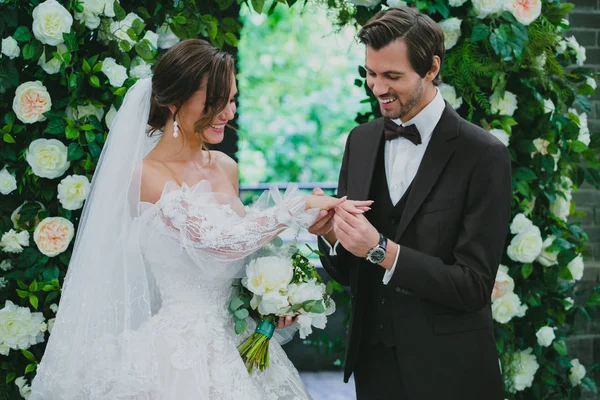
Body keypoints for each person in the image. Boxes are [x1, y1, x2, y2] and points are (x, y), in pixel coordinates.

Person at [30, 39, 368, 400]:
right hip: (178, 355)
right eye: (215, 101)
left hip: (235, 343)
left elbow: (242, 254)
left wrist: (270, 302)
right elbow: (218, 243)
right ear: (173, 103)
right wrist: (296, 206)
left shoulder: (227, 167)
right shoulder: (146, 175)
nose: (228, 111)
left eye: (233, 98)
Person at [310, 7, 512, 400]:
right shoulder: (361, 140)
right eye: (371, 72)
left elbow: (473, 287)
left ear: (431, 68)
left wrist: (383, 251)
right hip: (374, 368)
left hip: (452, 372)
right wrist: (333, 236)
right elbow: (346, 273)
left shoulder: (483, 155)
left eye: (393, 76)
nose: (377, 87)